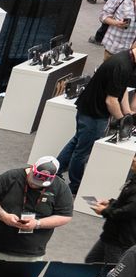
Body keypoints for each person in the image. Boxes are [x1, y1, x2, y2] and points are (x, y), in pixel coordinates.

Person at [0, 156, 75, 277]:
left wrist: (38, 223)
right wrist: (4, 216)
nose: (35, 185)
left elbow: (65, 215)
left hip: (30, 254)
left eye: (40, 184)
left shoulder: (61, 188)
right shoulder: (11, 177)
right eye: (33, 180)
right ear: (32, 169)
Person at [57, 48, 136, 190]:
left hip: (90, 109)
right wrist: (122, 121)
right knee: (83, 152)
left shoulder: (127, 60)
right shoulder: (122, 66)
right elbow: (111, 101)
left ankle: (55, 171)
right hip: (94, 113)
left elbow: (122, 89)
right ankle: (75, 185)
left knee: (78, 142)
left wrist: (127, 112)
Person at [89, 166, 136, 264]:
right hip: (110, 234)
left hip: (121, 240)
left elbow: (128, 211)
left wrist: (104, 211)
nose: (134, 159)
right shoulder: (133, 178)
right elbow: (125, 202)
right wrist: (110, 203)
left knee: (111, 269)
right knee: (91, 261)